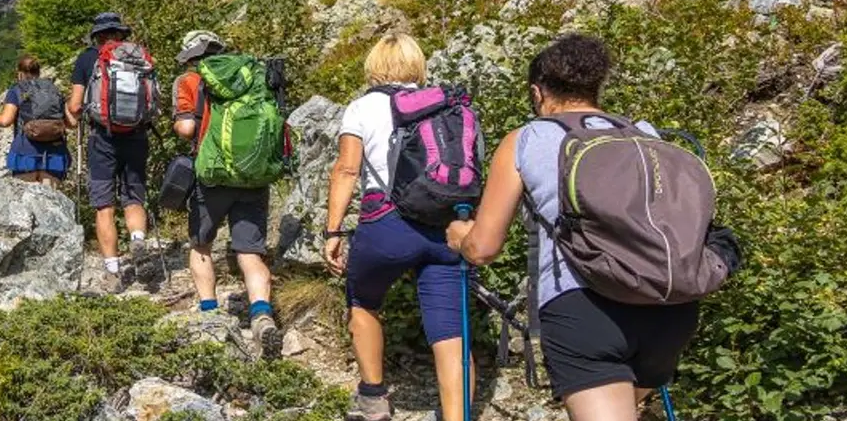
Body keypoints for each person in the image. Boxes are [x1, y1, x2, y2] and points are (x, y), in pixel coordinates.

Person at [447, 35, 707, 421]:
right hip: (670, 305)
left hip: (583, 306)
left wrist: (460, 238)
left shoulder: (526, 139)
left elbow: (484, 248)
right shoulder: (644, 134)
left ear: (537, 92)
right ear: (596, 87)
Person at [323, 34, 472, 421]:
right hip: (445, 227)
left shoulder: (362, 108)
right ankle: (458, 415)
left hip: (385, 224)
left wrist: (333, 231)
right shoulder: (446, 105)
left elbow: (347, 170)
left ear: (374, 66)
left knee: (363, 302)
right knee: (451, 328)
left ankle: (374, 399)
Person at [172, 29, 287, 358]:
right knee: (250, 251)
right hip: (254, 176)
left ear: (192, 58)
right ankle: (262, 315)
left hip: (212, 176)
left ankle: (209, 314)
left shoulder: (191, 81)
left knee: (201, 244)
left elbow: (187, 129)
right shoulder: (253, 74)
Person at [68, 11, 152, 291]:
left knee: (104, 205)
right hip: (137, 136)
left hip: (103, 138)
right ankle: (138, 239)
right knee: (133, 196)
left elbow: (76, 106)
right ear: (120, 34)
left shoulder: (87, 58)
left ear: (97, 35)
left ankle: (113, 272)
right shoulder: (139, 56)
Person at [0, 56, 69, 182]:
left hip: (26, 153)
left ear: (19, 73)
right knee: (50, 199)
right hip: (54, 154)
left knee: (25, 198)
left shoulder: (17, 90)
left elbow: (5, 120)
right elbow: (71, 123)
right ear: (39, 72)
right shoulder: (53, 89)